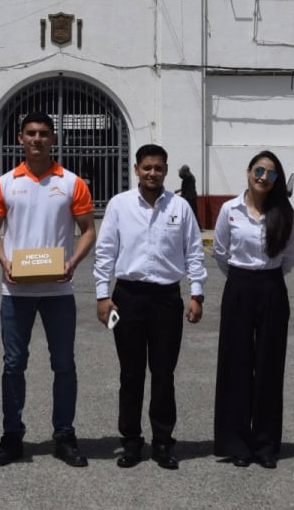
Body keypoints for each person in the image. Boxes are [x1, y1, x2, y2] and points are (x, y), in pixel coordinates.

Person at [0, 111, 96, 468]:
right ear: (20, 138)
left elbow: (88, 230)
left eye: (44, 134)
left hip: (58, 292)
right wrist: (3, 261)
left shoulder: (72, 182)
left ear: (53, 139)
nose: (37, 139)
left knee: (64, 365)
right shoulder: (4, 183)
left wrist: (72, 263)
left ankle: (64, 435)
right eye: (31, 133)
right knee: (13, 365)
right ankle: (12, 437)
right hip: (15, 291)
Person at [93, 144, 206, 470]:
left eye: (158, 168)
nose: (152, 173)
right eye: (146, 168)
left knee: (163, 373)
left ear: (166, 170)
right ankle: (130, 441)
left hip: (166, 300)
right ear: (137, 169)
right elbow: (105, 253)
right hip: (126, 298)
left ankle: (162, 442)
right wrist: (103, 296)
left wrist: (196, 294)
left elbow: (194, 252)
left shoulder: (180, 207)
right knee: (129, 374)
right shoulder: (119, 205)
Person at [211, 151, 294, 468]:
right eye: (259, 170)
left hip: (272, 288)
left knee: (268, 366)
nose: (264, 177)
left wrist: (266, 277)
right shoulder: (229, 210)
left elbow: (290, 256)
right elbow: (220, 252)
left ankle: (265, 445)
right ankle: (236, 443)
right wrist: (242, 279)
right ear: (249, 172)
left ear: (277, 179)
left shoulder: (283, 213)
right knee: (235, 365)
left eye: (271, 173)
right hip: (238, 287)